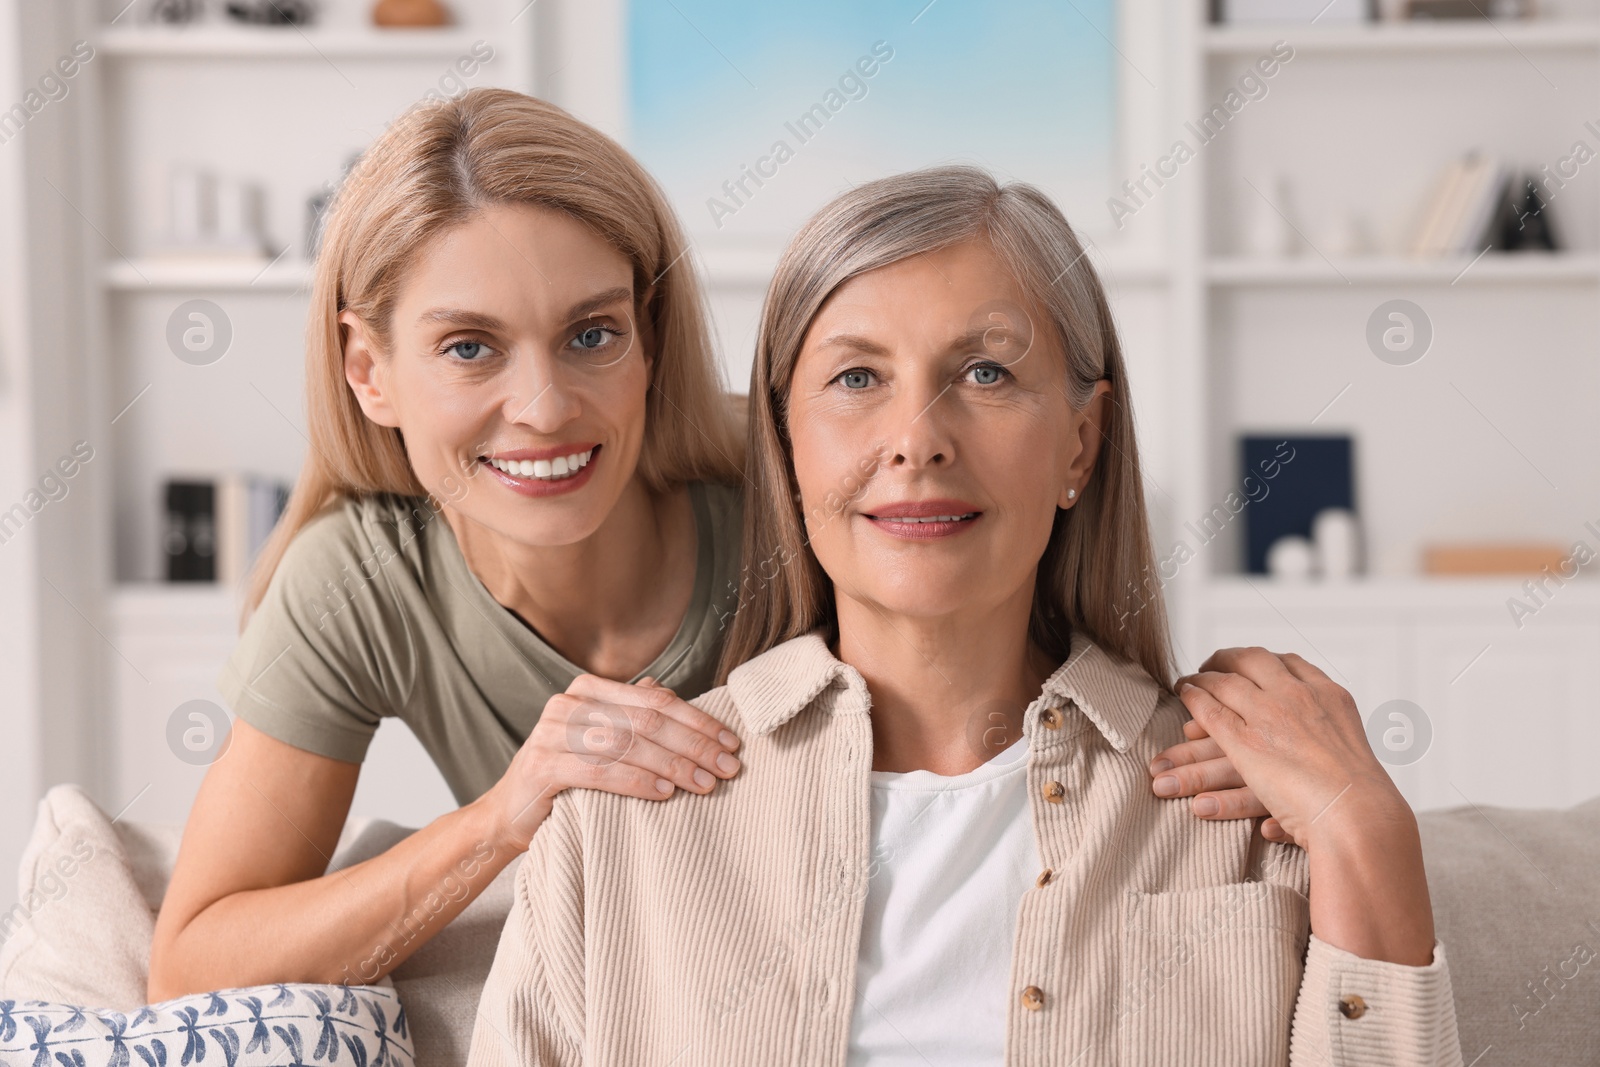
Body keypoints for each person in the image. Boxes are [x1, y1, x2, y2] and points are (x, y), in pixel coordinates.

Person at [466, 166, 1462, 1065]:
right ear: (785, 442)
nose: (916, 439)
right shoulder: (619, 820)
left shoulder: (1249, 810)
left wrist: (1366, 828)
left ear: (1081, 443)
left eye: (985, 373)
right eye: (856, 378)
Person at [146, 88, 750, 998]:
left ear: (651, 338)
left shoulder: (790, 506)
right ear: (369, 372)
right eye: (470, 347)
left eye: (593, 333)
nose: (545, 409)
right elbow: (193, 967)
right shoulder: (359, 580)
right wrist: (502, 818)